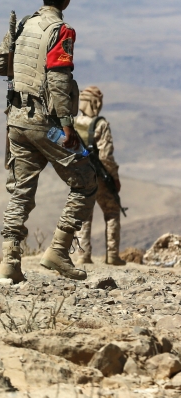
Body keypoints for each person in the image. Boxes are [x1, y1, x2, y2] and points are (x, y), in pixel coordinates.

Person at [0, 0, 98, 283]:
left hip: (16, 120)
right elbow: (57, 79)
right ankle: (58, 252)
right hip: (45, 123)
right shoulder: (60, 31)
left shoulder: (23, 24)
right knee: (87, 180)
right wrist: (66, 126)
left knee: (20, 191)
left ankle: (10, 263)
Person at [73, 86, 125, 265]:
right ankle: (112, 255)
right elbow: (105, 156)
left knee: (84, 215)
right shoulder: (100, 124)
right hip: (98, 176)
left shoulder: (74, 123)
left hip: (79, 175)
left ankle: (83, 255)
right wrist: (114, 178)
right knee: (111, 211)